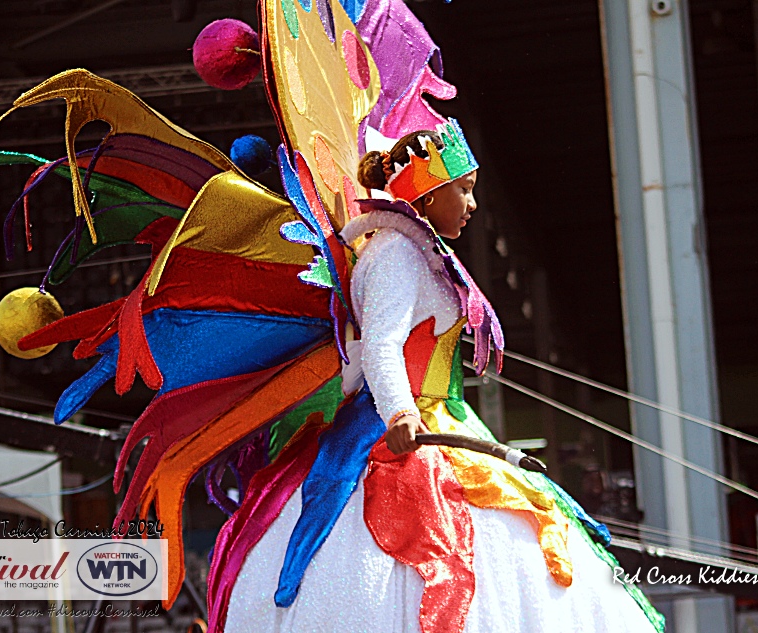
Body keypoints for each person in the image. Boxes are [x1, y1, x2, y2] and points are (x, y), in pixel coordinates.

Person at [212, 124, 665, 633]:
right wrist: (401, 413)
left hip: (438, 418)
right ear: (428, 191)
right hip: (400, 424)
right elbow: (382, 345)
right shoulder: (396, 255)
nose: (472, 203)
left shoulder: (417, 251)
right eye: (464, 189)